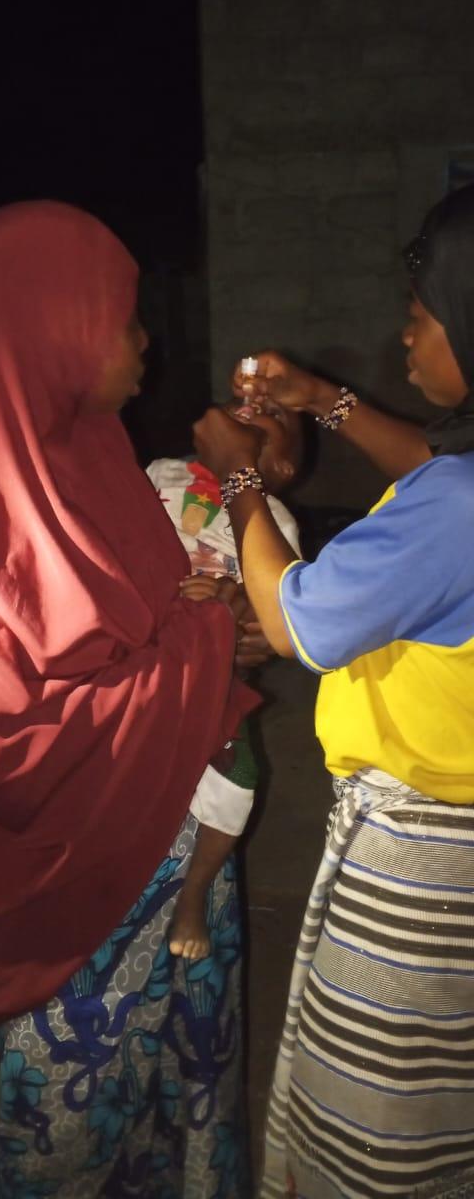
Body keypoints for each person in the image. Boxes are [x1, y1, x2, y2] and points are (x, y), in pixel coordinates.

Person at [0, 201, 260, 1199]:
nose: (148, 339)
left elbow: (151, 615)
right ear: (52, 320)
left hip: (179, 854)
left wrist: (206, 614)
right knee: (78, 1128)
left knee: (182, 1102)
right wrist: (205, 645)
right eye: (124, 315)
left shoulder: (92, 453)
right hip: (77, 897)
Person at [193, 182, 474, 1199]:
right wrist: (325, 402)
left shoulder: (454, 508)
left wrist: (238, 483)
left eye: (423, 312)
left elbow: (304, 621)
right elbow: (438, 465)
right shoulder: (459, 484)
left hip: (426, 868)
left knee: (382, 1127)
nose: (405, 333)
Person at [147, 405, 303, 959]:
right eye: (239, 416)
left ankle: (192, 897)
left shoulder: (274, 523)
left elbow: (274, 619)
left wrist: (225, 609)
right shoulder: (162, 474)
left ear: (278, 468)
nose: (245, 421)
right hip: (136, 658)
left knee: (237, 776)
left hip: (212, 673)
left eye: (261, 432)